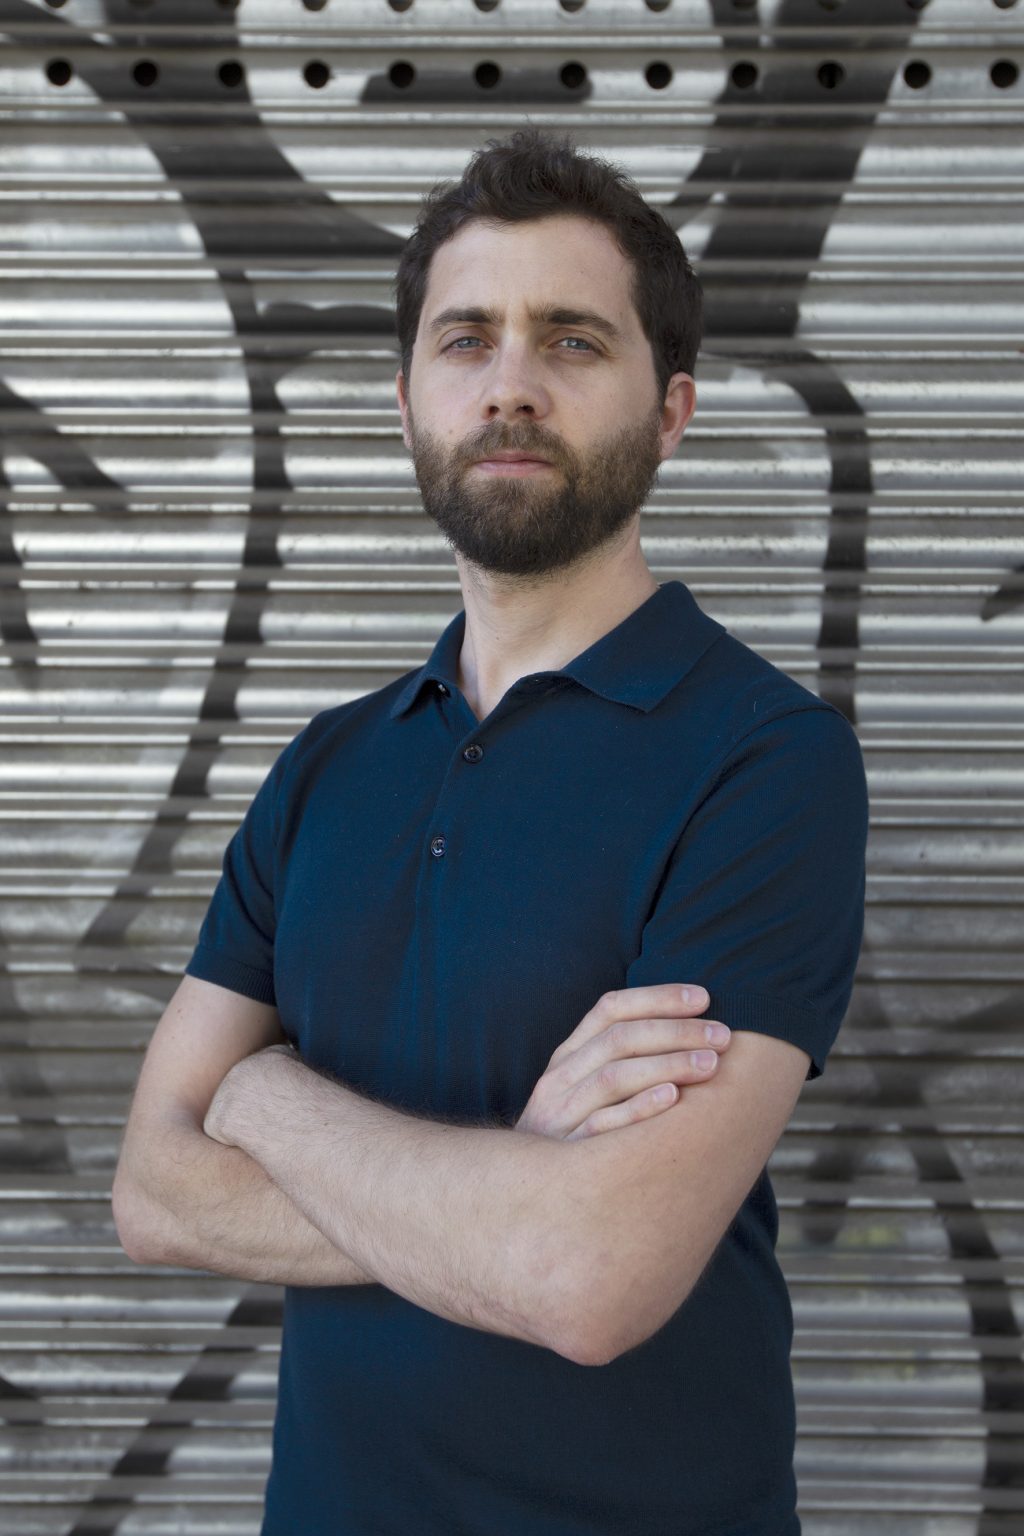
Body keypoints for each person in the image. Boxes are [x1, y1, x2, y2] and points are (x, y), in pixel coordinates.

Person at [113, 125, 868, 1536]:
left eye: (573, 341)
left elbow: (589, 1278)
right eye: (467, 340)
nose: (511, 383)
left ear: (672, 411)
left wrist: (266, 1101)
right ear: (408, 401)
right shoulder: (327, 768)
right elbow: (155, 1193)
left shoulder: (767, 763)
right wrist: (512, 1191)